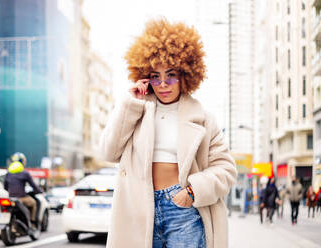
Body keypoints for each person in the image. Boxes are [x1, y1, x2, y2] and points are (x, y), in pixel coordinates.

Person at [99, 18, 237, 248]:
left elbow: (225, 168)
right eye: (155, 76)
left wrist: (192, 192)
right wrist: (131, 103)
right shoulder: (136, 109)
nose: (163, 84)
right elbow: (109, 152)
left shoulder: (203, 118)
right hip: (139, 208)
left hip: (182, 208)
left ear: (185, 75)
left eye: (171, 75)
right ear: (146, 77)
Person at [4, 152, 42, 227]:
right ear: (22, 161)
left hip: (11, 198)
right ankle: (32, 222)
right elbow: (33, 185)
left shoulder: (8, 173)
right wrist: (39, 191)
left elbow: (5, 187)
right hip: (21, 198)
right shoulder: (24, 173)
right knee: (34, 203)